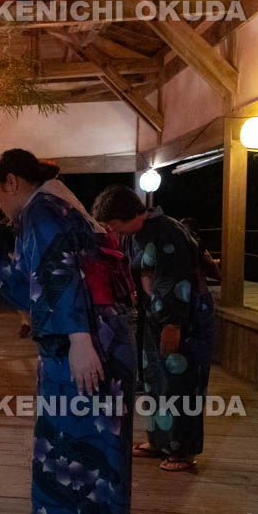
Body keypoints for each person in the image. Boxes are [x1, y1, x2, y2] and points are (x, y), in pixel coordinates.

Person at [0, 149, 135, 514]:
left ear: (13, 182)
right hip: (89, 340)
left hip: (86, 344)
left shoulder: (42, 210)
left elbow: (59, 272)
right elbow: (36, 275)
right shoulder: (57, 203)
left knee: (88, 446)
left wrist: (78, 341)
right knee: (64, 443)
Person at [93, 185, 214, 473]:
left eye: (115, 223)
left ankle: (181, 450)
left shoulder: (167, 231)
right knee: (155, 379)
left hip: (183, 317)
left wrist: (173, 324)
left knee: (180, 381)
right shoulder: (138, 234)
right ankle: (160, 440)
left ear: (131, 214)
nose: (114, 229)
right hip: (154, 314)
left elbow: (176, 280)